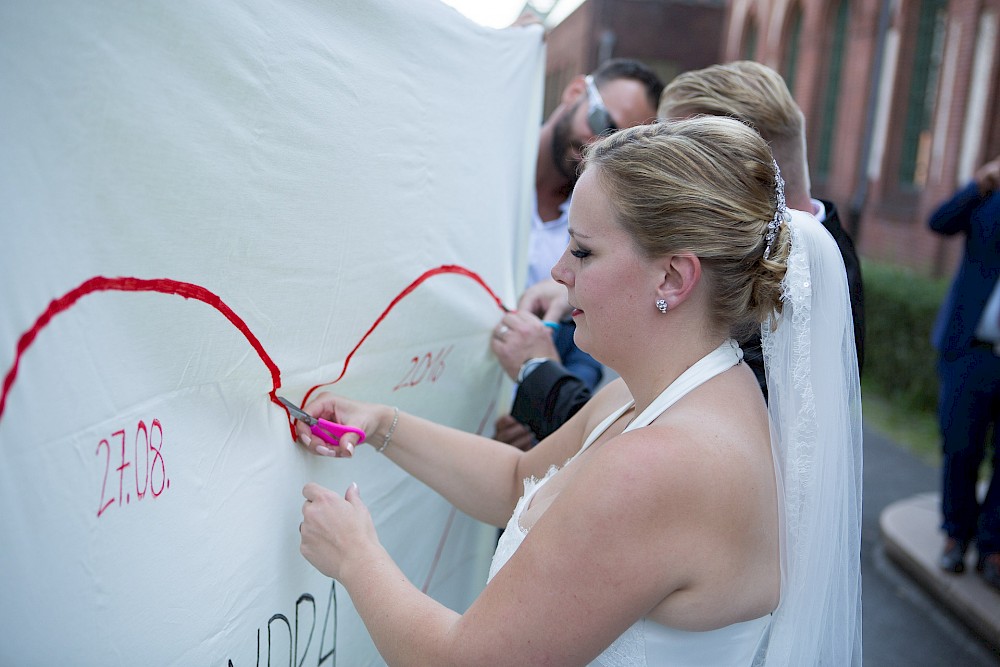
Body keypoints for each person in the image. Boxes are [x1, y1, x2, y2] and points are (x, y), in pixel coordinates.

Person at [293, 117, 863, 665]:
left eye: (584, 250)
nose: (560, 272)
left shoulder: (661, 463)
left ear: (672, 277)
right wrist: (383, 423)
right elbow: (517, 482)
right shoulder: (670, 394)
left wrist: (354, 555)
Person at [495, 59, 867, 431]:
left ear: (732, 159)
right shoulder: (796, 247)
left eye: (674, 155)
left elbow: (675, 433)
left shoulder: (810, 285)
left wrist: (538, 372)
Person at [492, 58, 664, 448]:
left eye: (621, 142)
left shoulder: (608, 226)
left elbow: (590, 345)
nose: (600, 148)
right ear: (574, 93)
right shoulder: (488, 169)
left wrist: (543, 393)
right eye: (603, 122)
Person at [928, 154, 1000, 589]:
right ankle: (956, 535)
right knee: (960, 446)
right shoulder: (989, 195)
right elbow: (940, 222)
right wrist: (978, 184)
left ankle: (993, 546)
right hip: (970, 349)